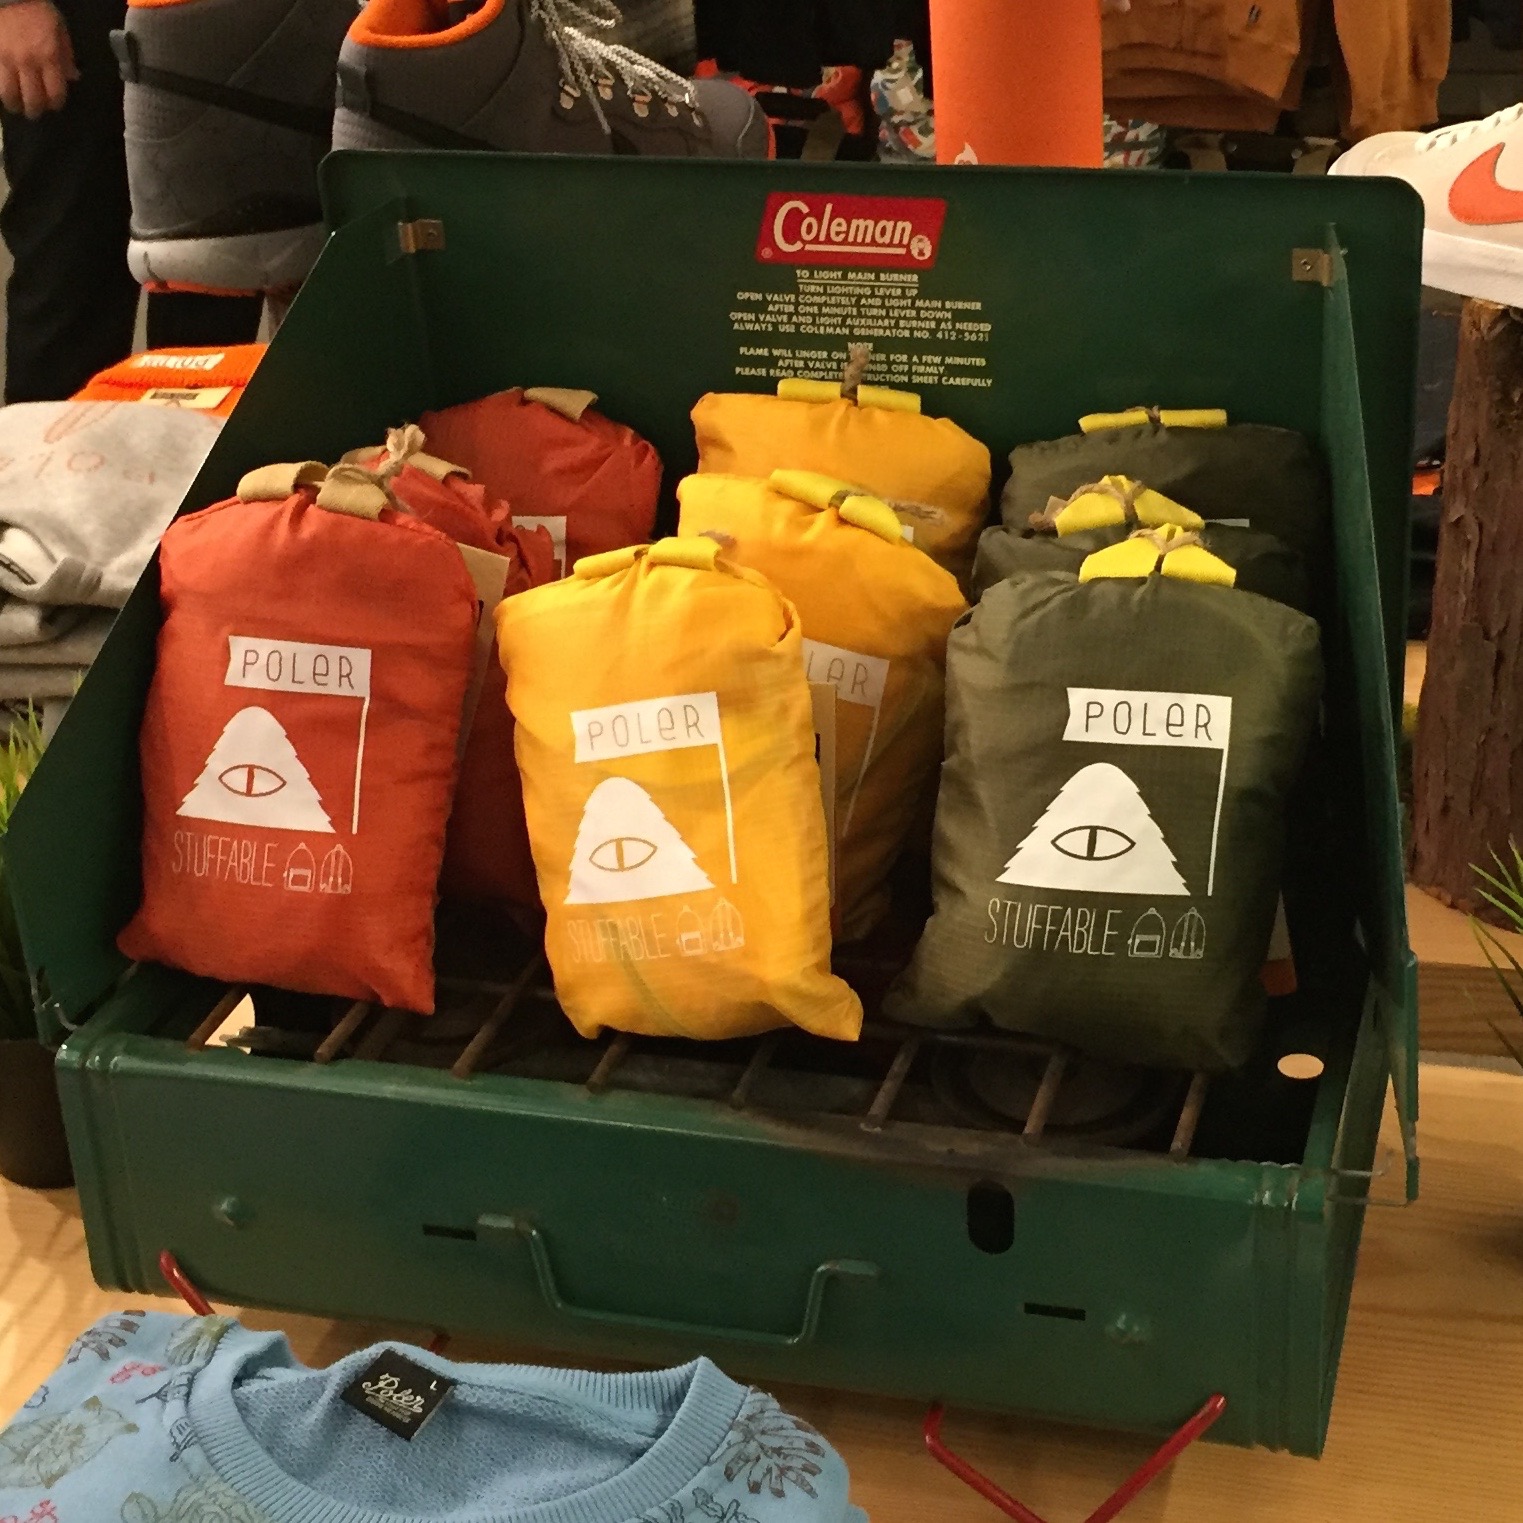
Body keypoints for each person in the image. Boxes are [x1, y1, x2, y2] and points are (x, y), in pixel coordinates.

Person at [0, 0, 259, 405]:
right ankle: (56, 446)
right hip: (80, 27)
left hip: (230, 24)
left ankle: (196, 446)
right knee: (67, 285)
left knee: (214, 291)